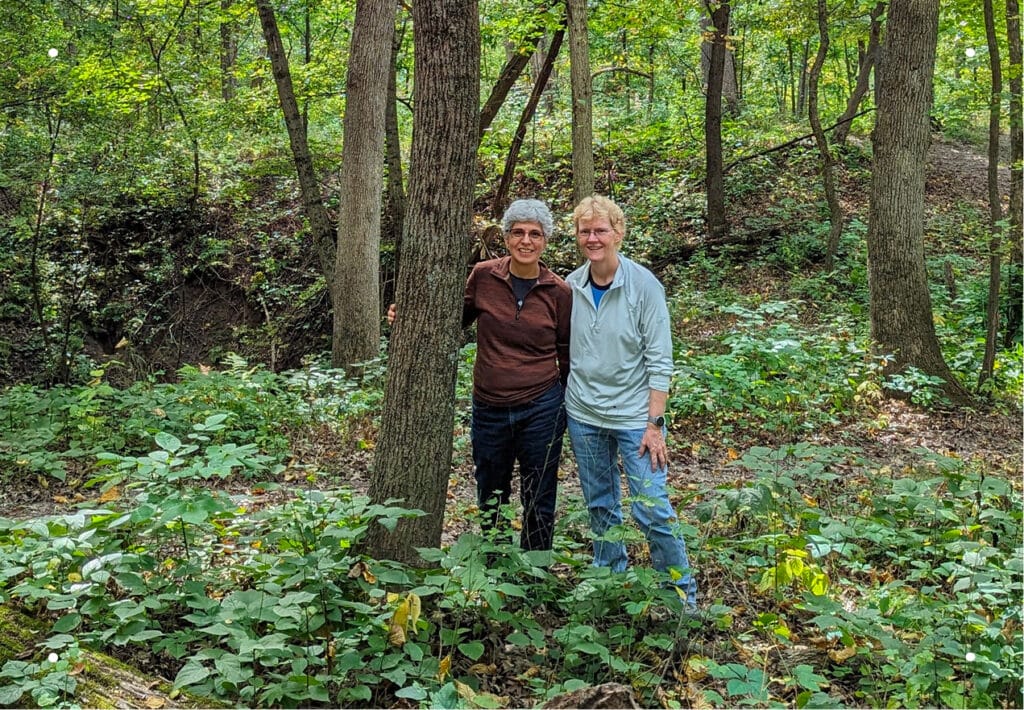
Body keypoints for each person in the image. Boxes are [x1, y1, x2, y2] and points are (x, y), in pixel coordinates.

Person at [388, 199, 571, 552]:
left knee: (540, 493)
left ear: (545, 240)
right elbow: (450, 320)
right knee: (491, 489)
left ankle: (535, 569)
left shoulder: (559, 292)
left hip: (542, 408)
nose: (526, 241)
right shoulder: (485, 276)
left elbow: (566, 353)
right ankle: (494, 563)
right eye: (518, 232)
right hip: (489, 407)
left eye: (535, 234)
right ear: (505, 238)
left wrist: (561, 404)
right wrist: (406, 315)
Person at [564, 194, 697, 606]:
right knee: (600, 504)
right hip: (583, 414)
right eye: (585, 231)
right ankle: (610, 583)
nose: (593, 238)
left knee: (652, 508)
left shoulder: (643, 286)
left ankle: (680, 598)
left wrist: (654, 425)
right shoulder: (571, 285)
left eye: (600, 230)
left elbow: (661, 360)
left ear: (618, 233)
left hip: (635, 418)